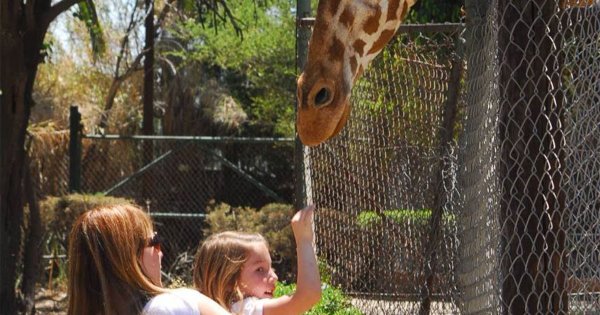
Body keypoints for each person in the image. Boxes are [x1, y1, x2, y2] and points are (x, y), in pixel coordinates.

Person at [67, 204, 231, 315]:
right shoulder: (163, 308)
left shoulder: (169, 306)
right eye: (155, 242)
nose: (160, 253)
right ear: (129, 259)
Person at [193, 205, 321, 315]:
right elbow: (308, 296)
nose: (274, 277)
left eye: (271, 268)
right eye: (260, 270)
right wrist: (304, 241)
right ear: (229, 281)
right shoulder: (244, 309)